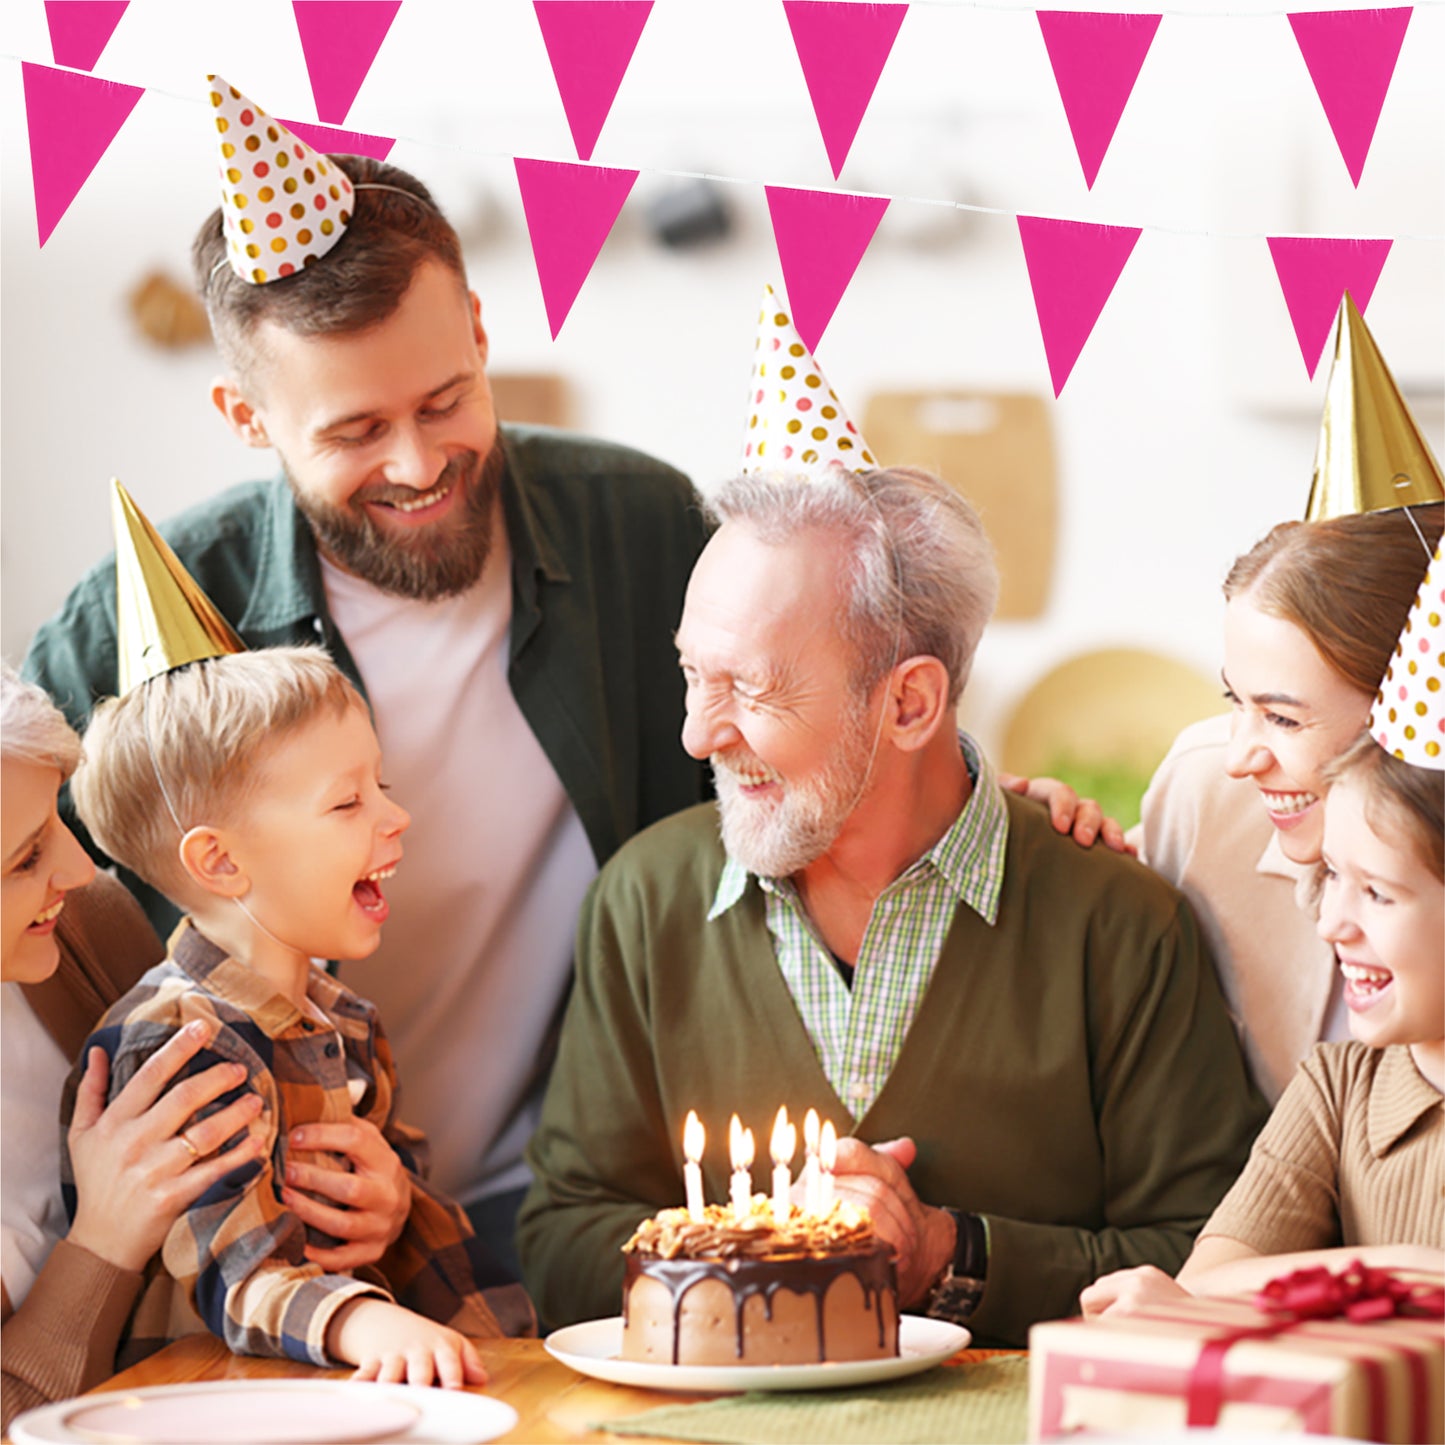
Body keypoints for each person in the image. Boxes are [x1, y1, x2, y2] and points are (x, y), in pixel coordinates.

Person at [23, 88, 711, 1275]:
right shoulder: (140, 617)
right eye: (354, 431)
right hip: (271, 1235)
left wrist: (977, 797)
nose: (416, 461)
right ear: (247, 415)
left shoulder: (639, 527)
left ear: (481, 331)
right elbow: (31, 895)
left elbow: (805, 748)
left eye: (445, 400)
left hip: (578, 1204)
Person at [516, 465, 1266, 1347]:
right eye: (692, 671)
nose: (696, 731)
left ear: (908, 702)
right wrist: (774, 1263)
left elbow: (1209, 1258)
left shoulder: (1119, 924)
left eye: (750, 688)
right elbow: (559, 1239)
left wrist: (951, 1255)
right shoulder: (642, 902)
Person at [66, 644, 501, 1382]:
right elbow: (234, 1269)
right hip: (204, 1412)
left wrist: (507, 1346)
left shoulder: (348, 1022)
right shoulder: (177, 1043)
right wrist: (360, 1319)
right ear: (220, 862)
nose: (396, 814)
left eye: (381, 783)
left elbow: (416, 1239)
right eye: (347, 801)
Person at [1082, 730, 1444, 1316]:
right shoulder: (1338, 1089)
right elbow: (1204, 1283)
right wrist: (1409, 1272)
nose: (1330, 923)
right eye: (1332, 875)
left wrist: (1357, 1277)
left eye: (1376, 893)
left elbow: (1220, 1295)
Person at [1, 666, 262, 1431]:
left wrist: (372, 1199)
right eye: (24, 858)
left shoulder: (86, 925)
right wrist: (103, 1244)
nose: (78, 870)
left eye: (58, 821)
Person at [1136, 503, 1442, 1104]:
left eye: (1282, 717)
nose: (1240, 757)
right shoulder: (1205, 798)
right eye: (1235, 700)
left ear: (1408, 706)